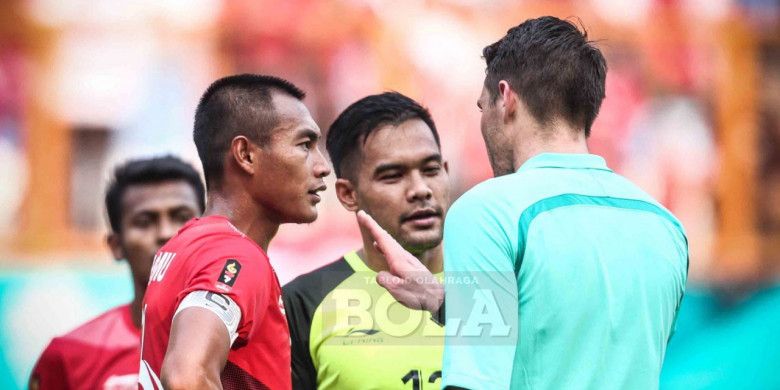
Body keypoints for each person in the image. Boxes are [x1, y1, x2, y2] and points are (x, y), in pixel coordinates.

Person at [357, 16, 689, 389]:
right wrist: (447, 303)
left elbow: (475, 383)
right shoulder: (665, 227)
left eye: (482, 108)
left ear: (506, 98)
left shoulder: (488, 211)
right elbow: (581, 347)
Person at [138, 74, 330, 389]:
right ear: (245, 155)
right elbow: (187, 375)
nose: (322, 166)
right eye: (305, 144)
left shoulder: (185, 246)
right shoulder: (235, 256)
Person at [283, 92, 451, 389]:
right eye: (393, 176)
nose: (421, 189)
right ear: (348, 194)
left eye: (431, 170)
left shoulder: (502, 281)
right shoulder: (305, 300)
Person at [29, 156, 205, 390]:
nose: (166, 233)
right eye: (144, 221)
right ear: (116, 245)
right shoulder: (68, 356)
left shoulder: (251, 344)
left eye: (182, 217)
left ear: (209, 230)